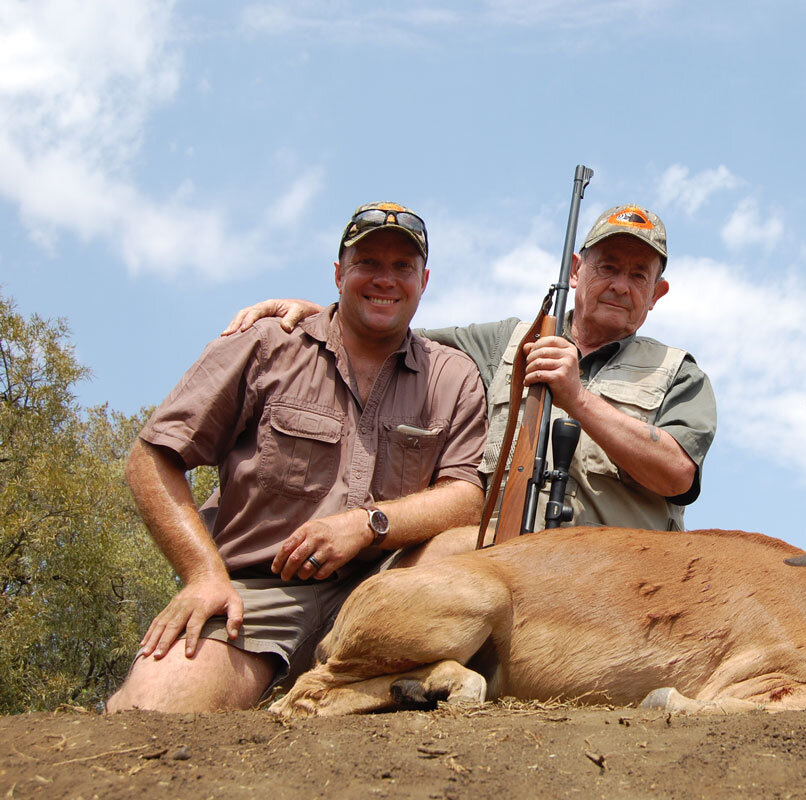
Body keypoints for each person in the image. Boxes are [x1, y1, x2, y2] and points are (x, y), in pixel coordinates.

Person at [107, 203, 488, 712]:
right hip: (256, 595)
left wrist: (367, 524)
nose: (385, 279)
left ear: (424, 281)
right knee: (150, 712)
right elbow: (150, 459)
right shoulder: (267, 344)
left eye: (402, 267)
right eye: (367, 263)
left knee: (470, 546)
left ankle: (360, 679)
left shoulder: (454, 376)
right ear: (338, 274)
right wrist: (203, 575)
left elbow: (466, 499)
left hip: (384, 598)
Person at [225, 204, 716, 536]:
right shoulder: (504, 341)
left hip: (606, 587)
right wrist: (322, 311)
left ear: (657, 294)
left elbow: (676, 475)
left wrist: (579, 401)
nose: (620, 285)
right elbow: (393, 336)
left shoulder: (679, 374)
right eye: (607, 267)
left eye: (638, 276)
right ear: (575, 270)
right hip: (492, 569)